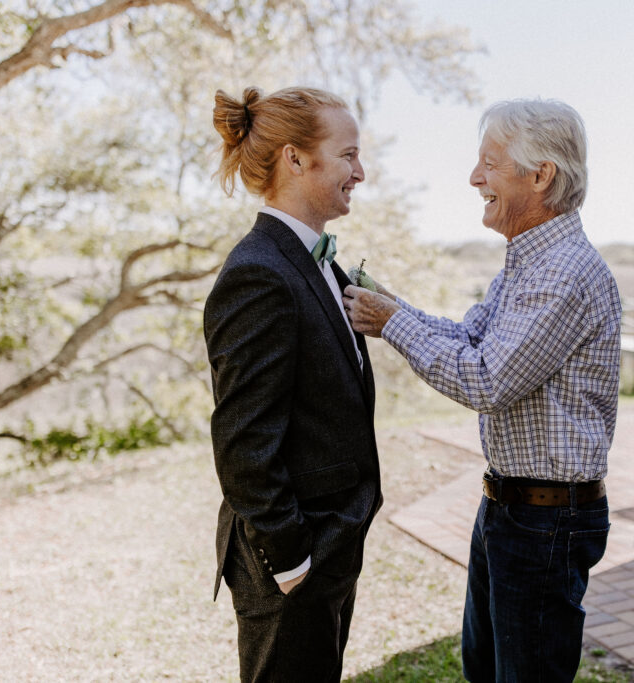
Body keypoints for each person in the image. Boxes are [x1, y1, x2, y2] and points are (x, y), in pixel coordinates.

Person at [343, 98, 621, 682]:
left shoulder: (564, 273)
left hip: (545, 524)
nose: (474, 178)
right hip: (511, 510)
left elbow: (484, 377)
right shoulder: (527, 263)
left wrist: (390, 322)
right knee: (483, 670)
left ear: (540, 175)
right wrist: (391, 306)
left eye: (489, 165)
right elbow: (467, 336)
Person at [203, 86, 381, 683]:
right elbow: (243, 438)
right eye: (349, 155)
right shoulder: (259, 272)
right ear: (295, 158)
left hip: (330, 547)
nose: (361, 171)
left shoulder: (317, 261)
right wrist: (290, 559)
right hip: (290, 563)